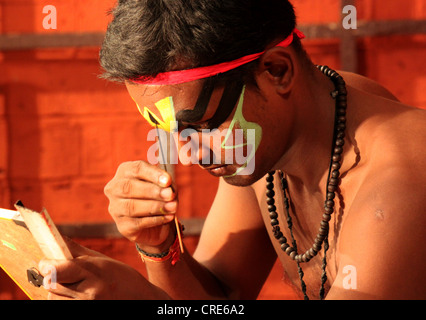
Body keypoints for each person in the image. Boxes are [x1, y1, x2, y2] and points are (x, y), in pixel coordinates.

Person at [39, 0, 426, 300]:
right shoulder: (276, 135)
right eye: (172, 132)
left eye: (205, 125)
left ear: (277, 71)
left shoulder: (400, 181)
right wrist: (160, 247)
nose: (190, 154)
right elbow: (223, 297)